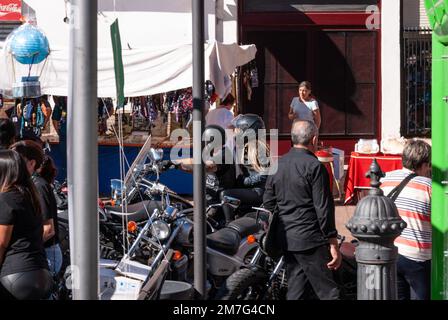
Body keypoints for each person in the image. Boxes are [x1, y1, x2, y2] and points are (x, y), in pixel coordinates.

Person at [263, 120, 340, 300]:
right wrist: (333, 242)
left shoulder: (278, 165)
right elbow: (323, 209)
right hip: (310, 239)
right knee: (330, 293)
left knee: (296, 292)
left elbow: (268, 201)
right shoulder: (315, 167)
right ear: (314, 140)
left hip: (287, 237)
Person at [380, 139, 432, 300]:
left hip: (390, 252)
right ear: (424, 164)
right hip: (417, 256)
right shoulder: (429, 186)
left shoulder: (385, 179)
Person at [0, 150, 53, 300]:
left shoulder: (6, 198)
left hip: (15, 274)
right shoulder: (30, 196)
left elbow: (1, 243)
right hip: (40, 272)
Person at [10, 141, 63, 277]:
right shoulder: (30, 184)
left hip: (46, 254)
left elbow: (48, 230)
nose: (13, 164)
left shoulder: (38, 186)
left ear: (32, 163)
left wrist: (23, 249)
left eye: (17, 160)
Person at [220, 113, 270, 224]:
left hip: (258, 191)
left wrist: (245, 181)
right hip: (248, 189)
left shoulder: (258, 147)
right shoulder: (240, 147)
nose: (235, 132)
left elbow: (265, 174)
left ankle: (229, 225)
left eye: (238, 130)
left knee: (226, 194)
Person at [51, 96, 67, 179]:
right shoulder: (60, 103)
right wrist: (60, 133)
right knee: (66, 161)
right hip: (65, 137)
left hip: (78, 138)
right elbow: (54, 119)